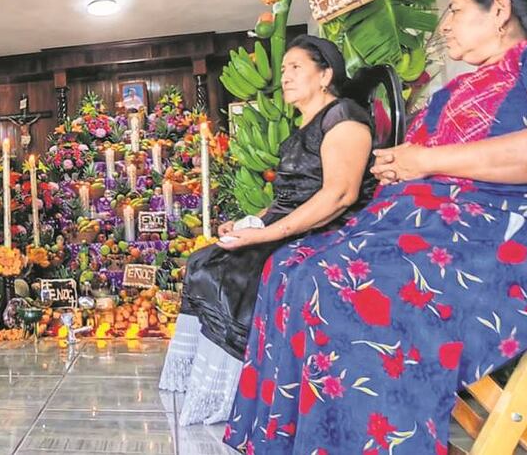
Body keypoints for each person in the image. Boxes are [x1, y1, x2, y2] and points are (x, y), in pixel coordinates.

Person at [223, 0, 527, 453]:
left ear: (499, 10)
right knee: (287, 269)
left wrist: (425, 161)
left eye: (453, 11)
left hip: (500, 244)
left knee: (337, 284)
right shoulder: (459, 87)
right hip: (436, 232)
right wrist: (400, 166)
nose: (444, 24)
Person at [160, 35, 375, 426]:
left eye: (296, 67)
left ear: (325, 74)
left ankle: (244, 393)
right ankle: (215, 385)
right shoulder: (304, 126)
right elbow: (288, 196)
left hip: (330, 230)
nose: (285, 77)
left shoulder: (344, 117)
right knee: (202, 261)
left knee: (232, 272)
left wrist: (265, 236)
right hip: (292, 223)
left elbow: (339, 196)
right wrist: (251, 221)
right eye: (283, 70)